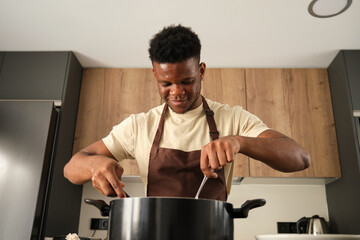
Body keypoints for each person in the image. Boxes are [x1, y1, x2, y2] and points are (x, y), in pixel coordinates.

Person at [64, 25, 310, 201]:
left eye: (187, 81)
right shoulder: (139, 126)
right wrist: (95, 164)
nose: (177, 92)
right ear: (155, 75)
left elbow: (300, 158)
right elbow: (71, 169)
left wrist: (239, 142)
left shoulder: (233, 118)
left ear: (201, 71)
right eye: (166, 84)